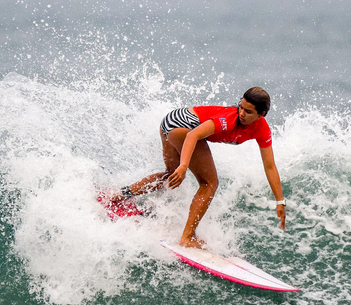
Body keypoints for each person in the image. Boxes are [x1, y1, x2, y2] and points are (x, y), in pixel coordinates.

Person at [112, 87, 286, 248]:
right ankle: (187, 237)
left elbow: (270, 166)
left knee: (170, 175)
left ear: (261, 114)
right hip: (181, 125)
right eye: (240, 106)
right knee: (209, 183)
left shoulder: (262, 130)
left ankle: (118, 195)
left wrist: (280, 201)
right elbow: (193, 135)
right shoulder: (227, 120)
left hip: (170, 121)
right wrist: (184, 165)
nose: (241, 113)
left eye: (248, 111)